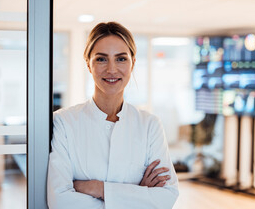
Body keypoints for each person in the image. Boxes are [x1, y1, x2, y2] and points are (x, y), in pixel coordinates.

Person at [47, 22, 179, 209]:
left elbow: (166, 197)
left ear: (133, 62)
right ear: (88, 63)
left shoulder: (149, 125)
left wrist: (99, 188)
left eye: (121, 59)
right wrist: (138, 194)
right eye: (101, 59)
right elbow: (60, 201)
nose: (111, 69)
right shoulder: (64, 122)